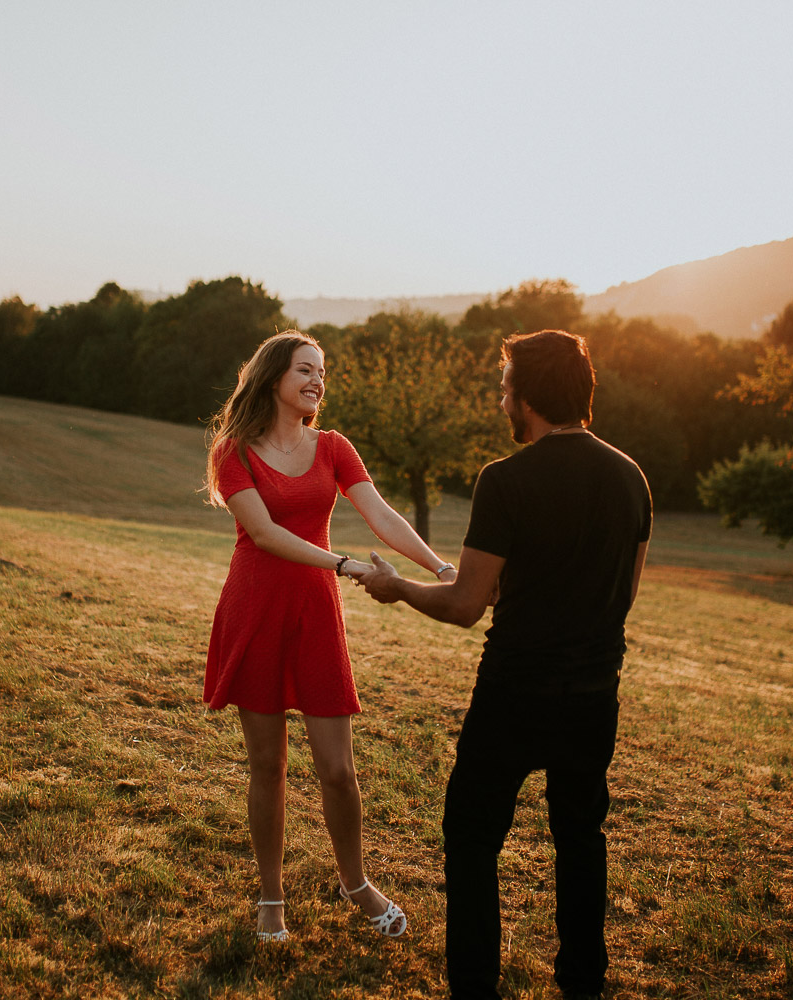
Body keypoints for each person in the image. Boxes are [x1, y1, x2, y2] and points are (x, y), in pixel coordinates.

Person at [359, 329, 651, 999]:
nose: (501, 401)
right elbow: (624, 596)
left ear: (529, 396)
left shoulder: (506, 480)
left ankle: (474, 990)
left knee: (470, 838)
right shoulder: (631, 476)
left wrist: (397, 587)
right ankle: (582, 984)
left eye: (505, 388)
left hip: (514, 693)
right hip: (594, 695)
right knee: (581, 839)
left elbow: (466, 605)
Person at [203, 330, 459, 943]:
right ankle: (271, 897)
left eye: (323, 371)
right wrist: (343, 564)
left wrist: (441, 568)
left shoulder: (334, 447)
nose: (318, 380)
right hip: (257, 607)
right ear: (272, 378)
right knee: (267, 767)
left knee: (338, 770)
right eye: (305, 370)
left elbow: (381, 514)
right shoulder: (233, 450)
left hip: (316, 614)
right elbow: (263, 534)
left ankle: (357, 884)